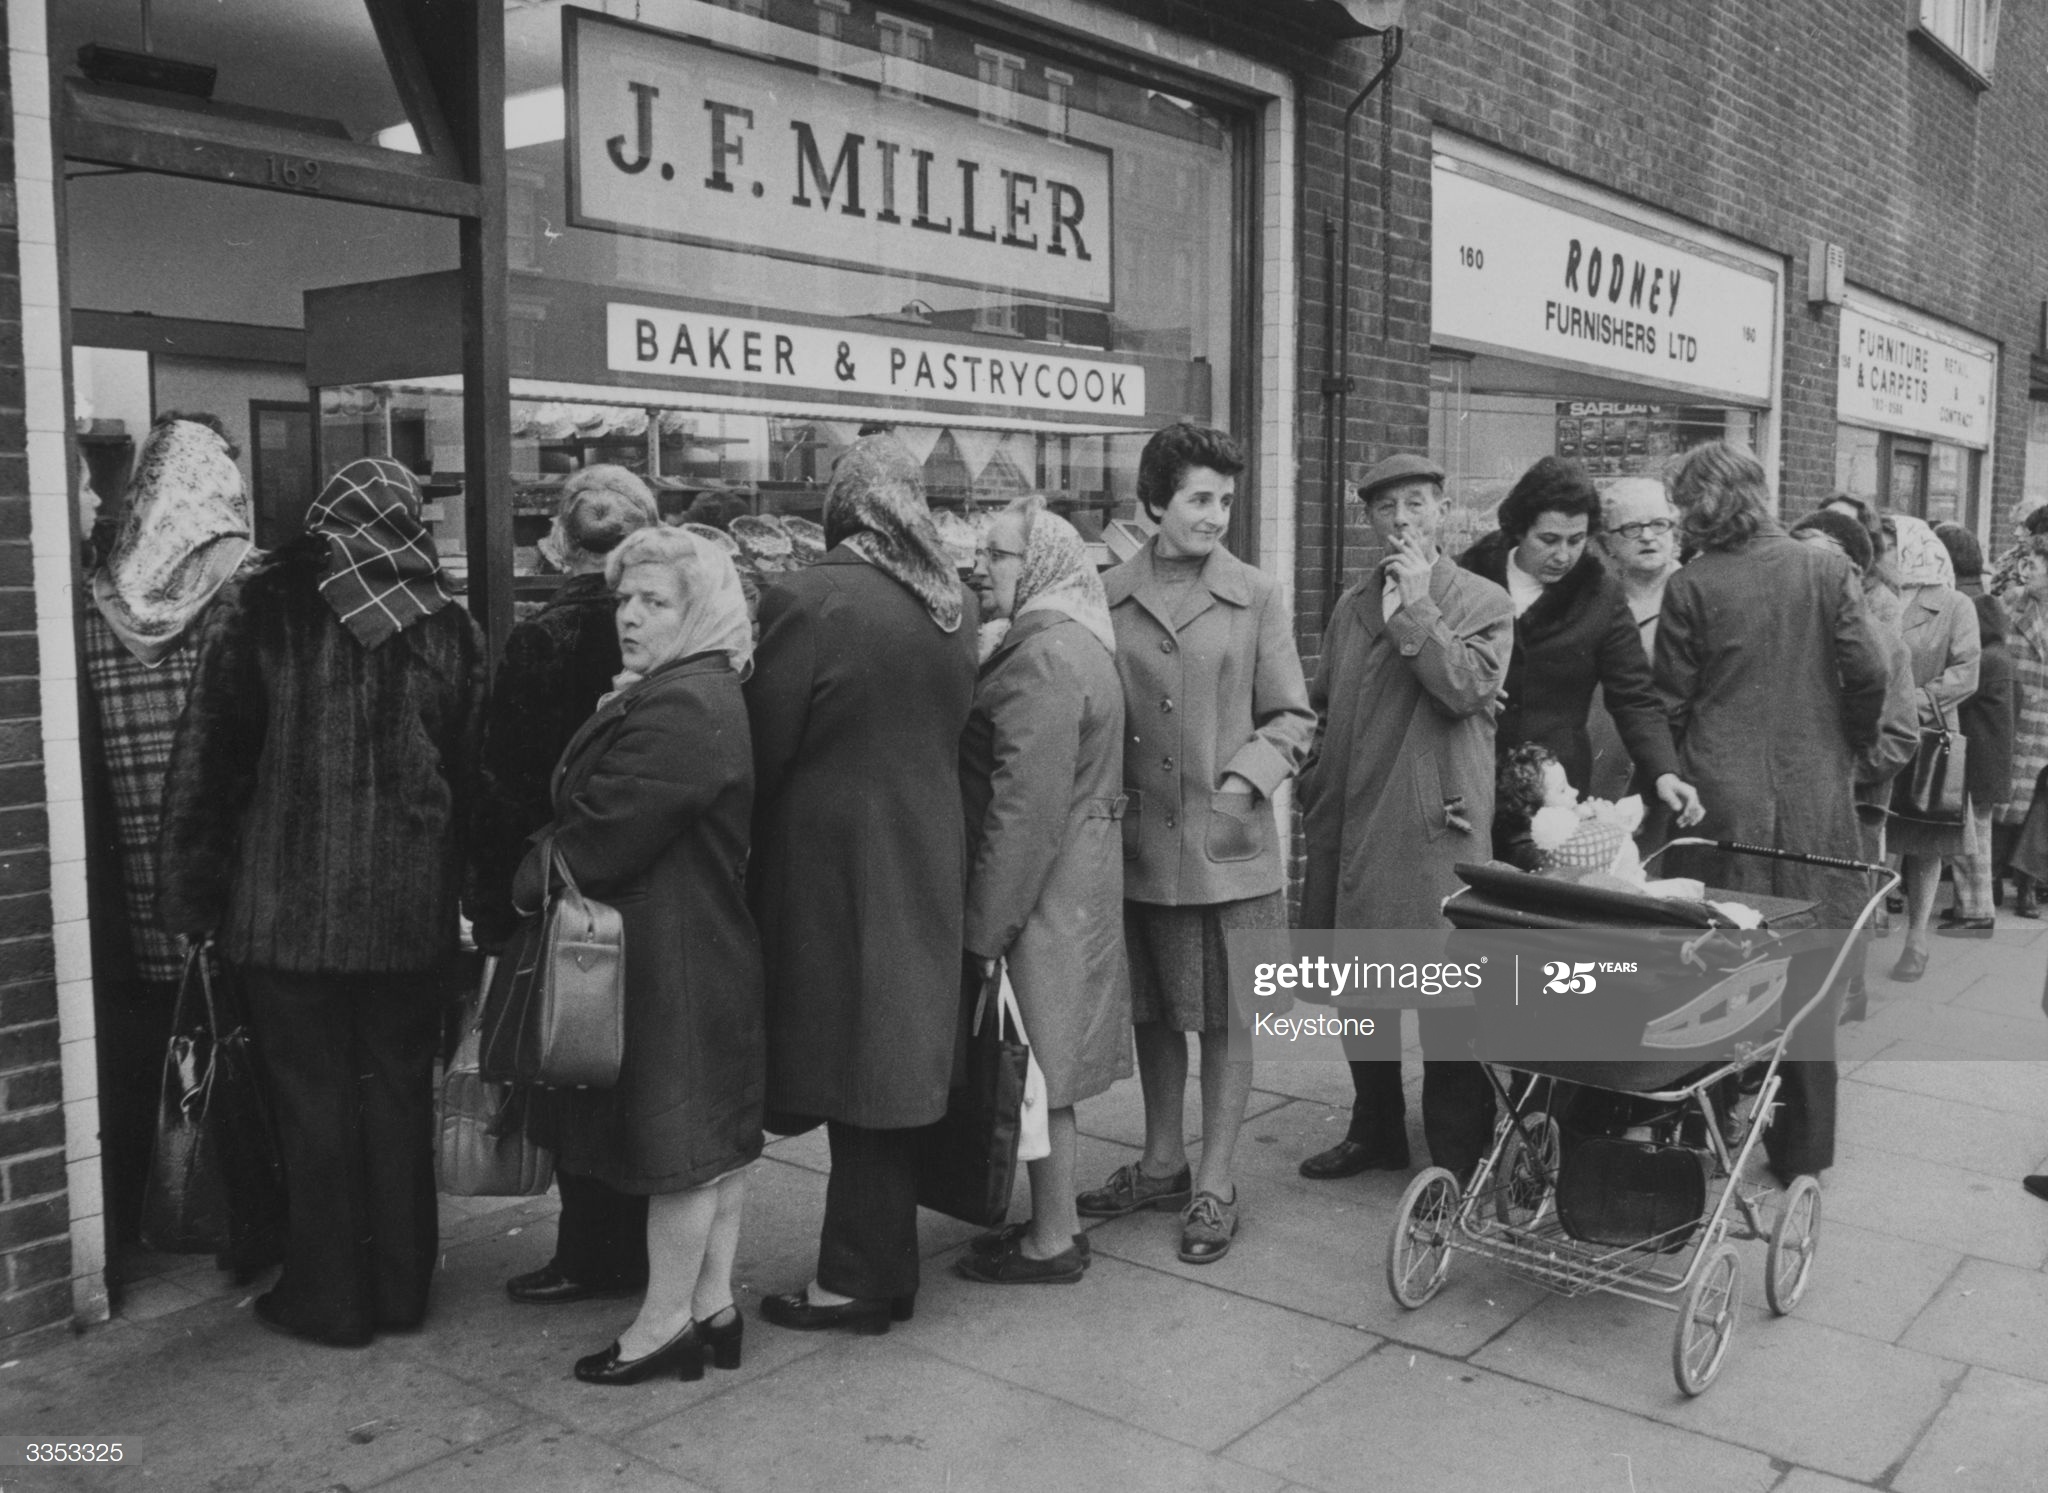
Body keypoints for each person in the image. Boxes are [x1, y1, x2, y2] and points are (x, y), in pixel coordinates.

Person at [157, 458, 486, 1346]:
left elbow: (210, 764)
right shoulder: (451, 622)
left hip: (284, 910)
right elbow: (472, 778)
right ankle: (400, 1288)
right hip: (407, 917)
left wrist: (190, 897)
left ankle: (328, 1295)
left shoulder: (264, 604)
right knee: (396, 1096)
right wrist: (475, 900)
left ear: (323, 518)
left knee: (312, 1101)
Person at [510, 525, 766, 1386]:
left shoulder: (681, 703)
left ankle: (663, 1327)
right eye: (626, 597)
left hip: (672, 957)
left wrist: (524, 876)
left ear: (698, 609)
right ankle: (710, 1308)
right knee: (710, 1144)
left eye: (655, 601)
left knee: (681, 1151)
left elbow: (607, 834)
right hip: (691, 944)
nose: (631, 615)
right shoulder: (687, 686)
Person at [748, 436, 978, 1332]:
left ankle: (855, 1281)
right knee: (886, 1057)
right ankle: (879, 1265)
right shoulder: (948, 601)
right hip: (925, 850)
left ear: (842, 506)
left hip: (833, 864)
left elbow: (768, 746)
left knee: (854, 1061)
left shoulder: (809, 598)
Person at [1077, 422, 1313, 1263]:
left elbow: (1292, 715)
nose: (1216, 515)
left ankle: (1215, 1182)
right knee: (1155, 1010)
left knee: (1226, 1018)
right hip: (1138, 848)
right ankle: (1161, 1160)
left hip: (1227, 853)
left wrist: (1245, 782)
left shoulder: (1256, 594)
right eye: (1199, 499)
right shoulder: (1103, 594)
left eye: (1225, 500)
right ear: (1153, 502)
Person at [1655, 443, 1888, 1186]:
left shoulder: (1691, 583)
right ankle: (1802, 1152)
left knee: (1719, 962)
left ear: (1704, 505)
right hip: (1814, 792)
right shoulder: (1825, 569)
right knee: (1809, 967)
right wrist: (1845, 738)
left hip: (1722, 796)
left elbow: (1671, 700)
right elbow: (1871, 671)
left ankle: (1710, 1123)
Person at [470, 465, 661, 1306]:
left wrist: (490, 899)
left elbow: (502, 779)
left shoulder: (540, 637)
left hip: (558, 887)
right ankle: (644, 1243)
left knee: (571, 1062)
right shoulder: (672, 631)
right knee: (641, 1066)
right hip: (652, 883)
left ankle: (590, 1250)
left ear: (561, 539)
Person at [1293, 454, 1512, 1183]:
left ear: (1443, 510)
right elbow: (1322, 702)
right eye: (1386, 508)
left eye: (1417, 504)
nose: (1403, 519)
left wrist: (1419, 608)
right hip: (1352, 817)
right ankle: (1375, 1127)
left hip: (1431, 825)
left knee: (1446, 994)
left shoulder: (1480, 599)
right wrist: (1314, 774)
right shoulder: (1354, 601)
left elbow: (1465, 687)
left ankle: (1457, 1154)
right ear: (1368, 519)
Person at [81, 415, 258, 1255]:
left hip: (131, 872)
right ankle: (239, 1215)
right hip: (221, 860)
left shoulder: (98, 599)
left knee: (162, 1043)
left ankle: (157, 1211)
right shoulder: (230, 597)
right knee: (234, 1037)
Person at [954, 497, 1132, 1285]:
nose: (980, 567)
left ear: (1042, 564)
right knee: (1045, 1060)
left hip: (1045, 894)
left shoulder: (1044, 656)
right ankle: (1050, 1223)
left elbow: (1023, 812)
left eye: (998, 554)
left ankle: (1052, 1236)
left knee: (1037, 1062)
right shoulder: (1075, 638)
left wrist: (982, 928)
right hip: (1076, 881)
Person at [1453, 457, 1701, 846]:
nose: (1564, 555)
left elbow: (1634, 696)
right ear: (1518, 529)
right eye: (1548, 540)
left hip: (1553, 798)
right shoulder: (1467, 578)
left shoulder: (1600, 596)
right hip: (1466, 779)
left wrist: (1664, 771)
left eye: (1576, 540)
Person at [1789, 509, 1918, 1022]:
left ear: (1855, 572)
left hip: (1851, 803)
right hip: (1788, 801)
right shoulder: (1775, 635)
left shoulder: (1885, 644)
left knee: (1846, 902)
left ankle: (1850, 990)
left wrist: (1841, 771)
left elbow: (1900, 737)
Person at [1884, 516, 1981, 981]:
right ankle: (1866, 927)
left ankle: (1916, 940)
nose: (1878, 553)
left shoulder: (1955, 604)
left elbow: (1966, 672)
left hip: (1928, 738)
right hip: (1875, 736)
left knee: (1923, 842)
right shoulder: (1867, 596)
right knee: (1871, 838)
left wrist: (1908, 704)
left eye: (1886, 544)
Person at [1934, 523, 2014, 937]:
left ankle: (1978, 914)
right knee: (1973, 834)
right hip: (1989, 751)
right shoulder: (1989, 613)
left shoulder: (1964, 611)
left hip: (1976, 751)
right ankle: (1969, 906)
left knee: (1973, 838)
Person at [1586, 476, 1685, 802]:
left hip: (1674, 775)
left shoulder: (1694, 599)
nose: (1647, 536)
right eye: (1630, 528)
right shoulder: (1592, 602)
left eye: (1659, 525)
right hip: (1602, 772)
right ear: (1606, 543)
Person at [1997, 535, 2048, 916]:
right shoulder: (2011, 602)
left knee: (2040, 805)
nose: (2026, 569)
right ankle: (1993, 877)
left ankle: (2028, 883)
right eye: (2026, 561)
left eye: (2036, 563)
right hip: (2016, 715)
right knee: (2007, 798)